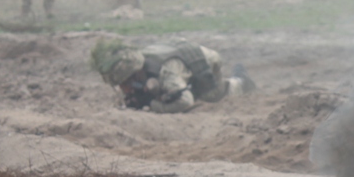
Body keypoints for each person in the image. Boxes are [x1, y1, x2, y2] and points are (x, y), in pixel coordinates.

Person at [91, 39, 255, 113]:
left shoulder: (167, 73)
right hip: (180, 54)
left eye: (125, 84)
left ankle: (242, 81)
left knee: (213, 95)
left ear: (134, 76)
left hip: (205, 59)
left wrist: (152, 104)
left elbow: (185, 101)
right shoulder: (138, 64)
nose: (124, 89)